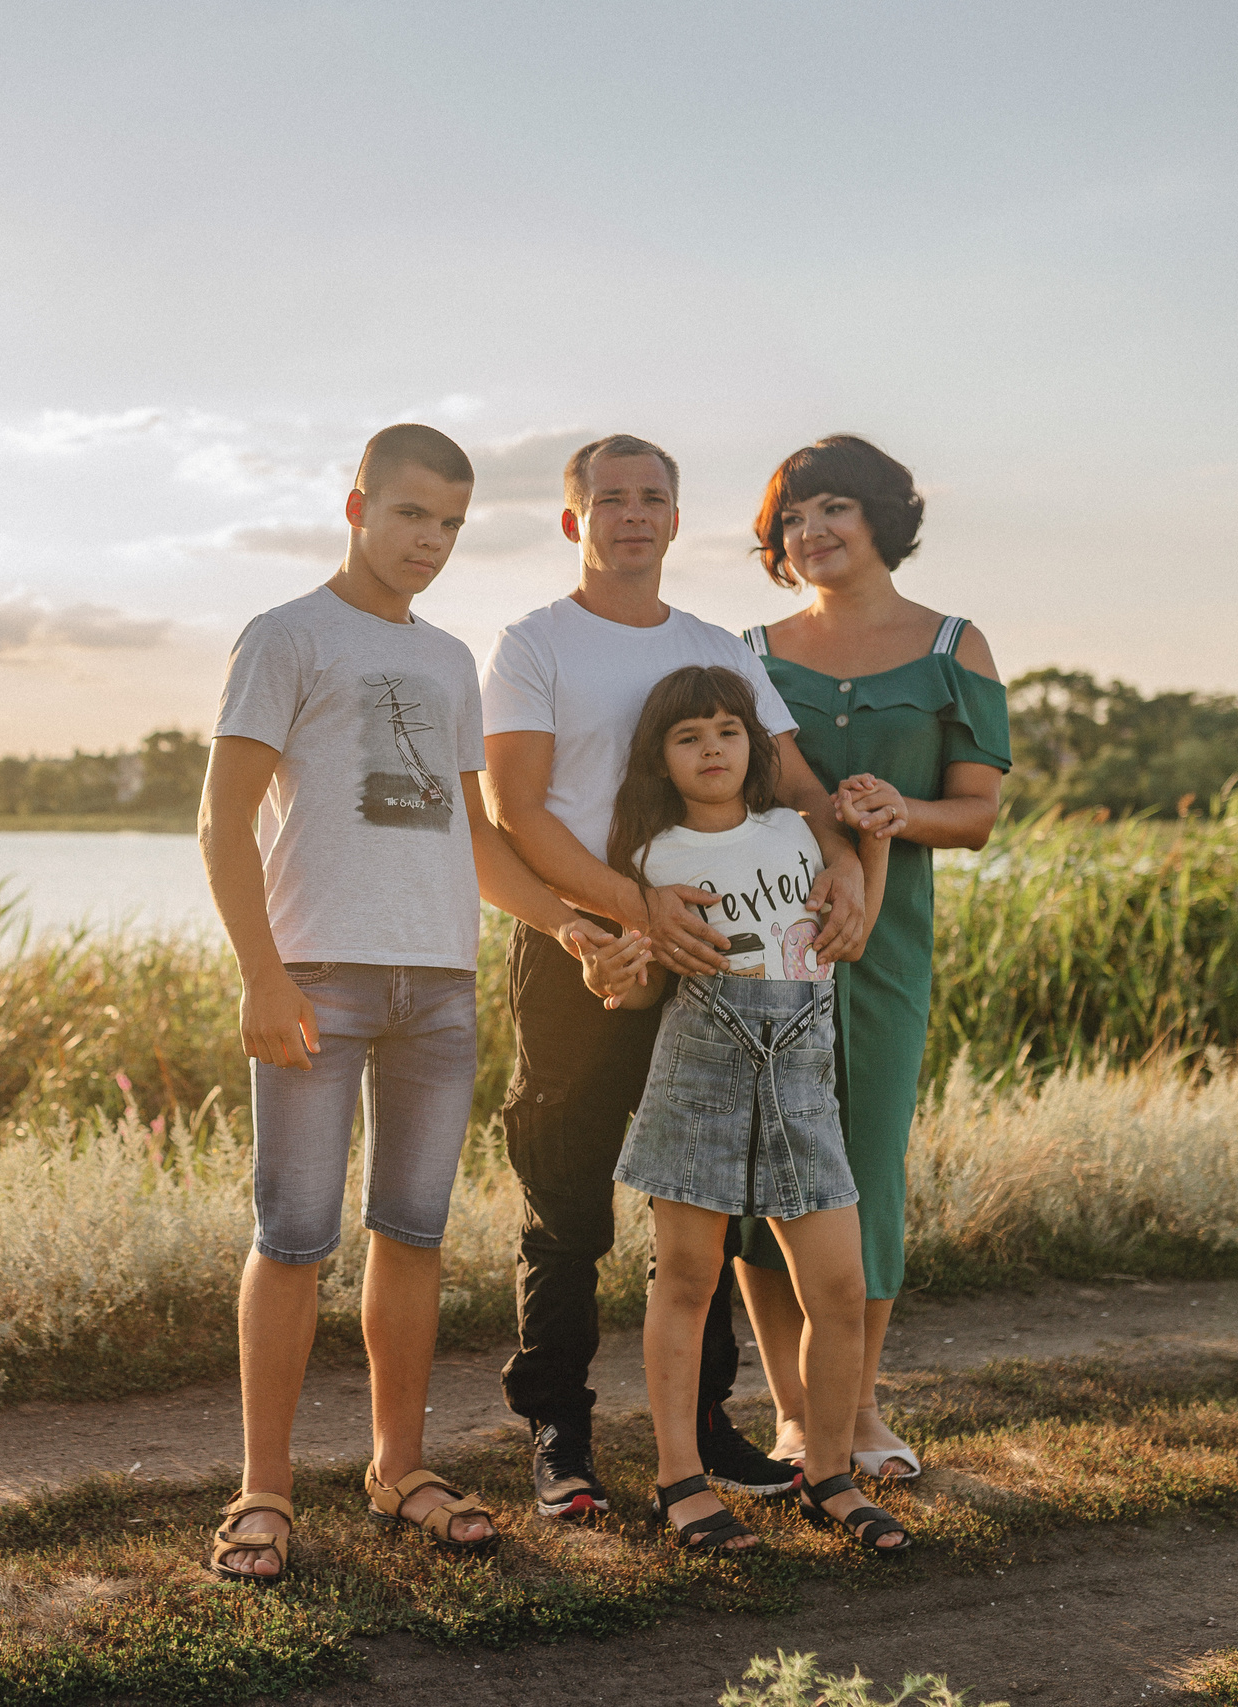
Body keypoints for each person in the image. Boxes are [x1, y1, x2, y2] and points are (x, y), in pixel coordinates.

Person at [199, 423, 611, 1582]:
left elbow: (469, 836)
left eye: (449, 525)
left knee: (414, 1234)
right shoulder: (284, 637)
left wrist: (567, 922)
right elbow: (221, 820)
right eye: (410, 516)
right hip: (317, 979)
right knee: (291, 1238)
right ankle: (262, 1493)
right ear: (357, 508)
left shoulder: (446, 661)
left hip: (439, 985)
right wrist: (261, 973)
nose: (427, 542)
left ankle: (397, 1470)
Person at [481, 434, 871, 1523]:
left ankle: (703, 1427)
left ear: (674, 517)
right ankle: (558, 1434)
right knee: (565, 1205)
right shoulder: (533, 643)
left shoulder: (715, 648)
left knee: (707, 1201)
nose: (633, 515)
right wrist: (628, 912)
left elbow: (793, 780)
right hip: (587, 949)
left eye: (654, 497)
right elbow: (516, 810)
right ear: (575, 521)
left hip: (724, 970)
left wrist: (841, 859)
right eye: (610, 500)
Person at [574, 665, 908, 1554]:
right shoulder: (646, 858)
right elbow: (642, 996)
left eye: (728, 729)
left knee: (839, 1286)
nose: (712, 747)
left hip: (802, 1080)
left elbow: (855, 930)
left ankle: (828, 1474)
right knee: (686, 1280)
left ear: (755, 744)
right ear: (661, 758)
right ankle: (680, 1480)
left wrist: (872, 837)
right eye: (689, 736)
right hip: (700, 1079)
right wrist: (612, 975)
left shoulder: (800, 832)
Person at [731, 435, 1010, 1483]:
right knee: (770, 1169)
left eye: (834, 509)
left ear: (882, 518)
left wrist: (902, 812)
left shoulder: (953, 645)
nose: (812, 532)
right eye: (793, 519)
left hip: (886, 950)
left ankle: (857, 1406)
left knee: (863, 1166)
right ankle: (796, 1415)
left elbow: (976, 814)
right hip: (763, 942)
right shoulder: (748, 653)